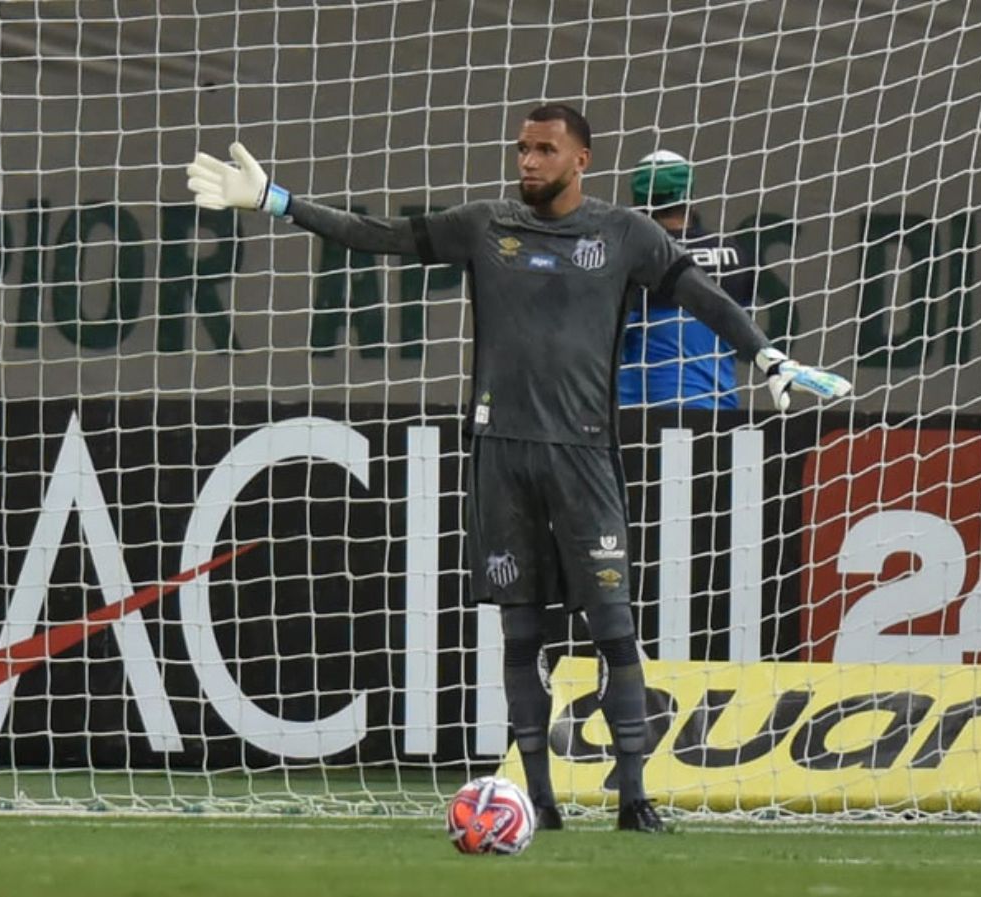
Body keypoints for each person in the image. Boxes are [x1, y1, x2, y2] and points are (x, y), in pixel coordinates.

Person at [185, 103, 851, 833]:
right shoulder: (485, 225)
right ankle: (537, 798)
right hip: (501, 455)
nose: (526, 161)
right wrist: (278, 201)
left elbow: (700, 292)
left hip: (584, 456)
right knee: (521, 632)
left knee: (614, 628)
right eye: (521, 149)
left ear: (580, 161)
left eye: (543, 149)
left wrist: (765, 355)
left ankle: (634, 798)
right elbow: (379, 236)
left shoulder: (622, 233)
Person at [618, 150, 756, 409]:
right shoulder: (734, 253)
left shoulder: (633, 257)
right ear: (689, 192)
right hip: (717, 413)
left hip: (641, 417)